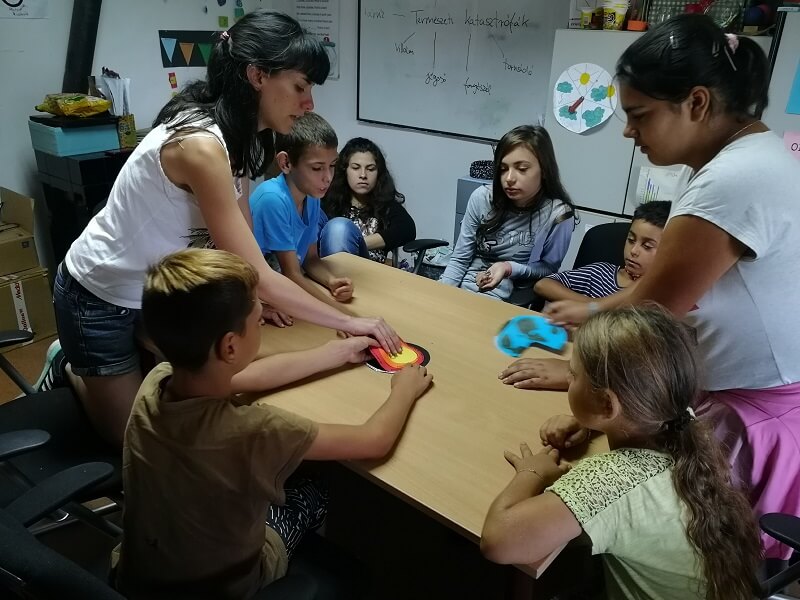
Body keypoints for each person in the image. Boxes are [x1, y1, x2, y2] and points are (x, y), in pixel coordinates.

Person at [45, 10, 400, 447]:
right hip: (98, 296)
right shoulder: (200, 146)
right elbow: (258, 272)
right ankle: (69, 365)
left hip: (159, 296)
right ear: (257, 76)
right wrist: (350, 321)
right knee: (135, 445)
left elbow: (242, 253)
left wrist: (254, 299)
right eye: (301, 86)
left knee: (201, 395)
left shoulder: (241, 138)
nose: (309, 103)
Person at [543, 14, 800, 560]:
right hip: (744, 395)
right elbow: (662, 291)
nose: (628, 131)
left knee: (709, 563)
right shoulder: (740, 160)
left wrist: (578, 383)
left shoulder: (734, 178)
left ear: (697, 103)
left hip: (753, 409)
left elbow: (652, 314)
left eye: (639, 115)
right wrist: (590, 314)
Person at [113, 248, 433, 599]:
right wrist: (404, 389)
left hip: (139, 574)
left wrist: (335, 353)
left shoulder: (158, 379)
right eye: (257, 318)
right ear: (230, 347)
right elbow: (373, 440)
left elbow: (249, 377)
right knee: (321, 482)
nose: (263, 320)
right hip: (224, 588)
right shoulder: (254, 429)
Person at [481, 306, 761, 600]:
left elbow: (499, 541)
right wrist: (589, 423)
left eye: (573, 375)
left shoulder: (613, 479)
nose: (569, 381)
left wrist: (533, 472)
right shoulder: (681, 421)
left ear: (607, 405)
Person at [439, 125, 575, 302]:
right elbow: (459, 259)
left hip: (508, 297)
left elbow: (548, 269)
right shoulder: (482, 198)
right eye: (503, 169)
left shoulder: (558, 215)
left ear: (544, 170)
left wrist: (509, 268)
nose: (509, 178)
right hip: (466, 285)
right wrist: (441, 295)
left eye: (522, 169)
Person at [250, 112, 354, 309]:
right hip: (253, 298)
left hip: (281, 293)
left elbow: (310, 259)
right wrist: (343, 315)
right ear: (286, 163)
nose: (328, 177)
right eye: (317, 168)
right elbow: (292, 274)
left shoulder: (311, 196)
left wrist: (331, 281)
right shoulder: (273, 199)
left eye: (332, 165)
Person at [534, 200, 671, 303]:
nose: (634, 251)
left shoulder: (663, 296)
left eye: (647, 246)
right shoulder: (600, 273)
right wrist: (592, 306)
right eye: (631, 240)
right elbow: (543, 285)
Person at [319, 137, 416, 264]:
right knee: (338, 228)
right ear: (344, 170)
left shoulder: (386, 206)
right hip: (331, 269)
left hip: (368, 270)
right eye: (356, 168)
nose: (363, 175)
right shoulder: (327, 202)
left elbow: (407, 230)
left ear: (378, 173)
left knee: (340, 230)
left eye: (370, 169)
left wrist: (356, 242)